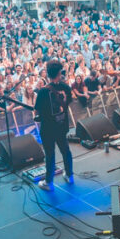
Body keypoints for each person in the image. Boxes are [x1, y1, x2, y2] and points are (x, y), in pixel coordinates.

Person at [34, 59, 74, 191]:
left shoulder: (43, 91)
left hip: (48, 129)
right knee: (65, 150)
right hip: (61, 125)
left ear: (48, 74)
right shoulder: (66, 87)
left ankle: (49, 182)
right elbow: (69, 102)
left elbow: (37, 110)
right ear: (59, 73)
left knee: (50, 155)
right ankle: (69, 175)